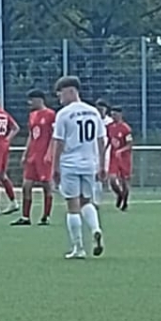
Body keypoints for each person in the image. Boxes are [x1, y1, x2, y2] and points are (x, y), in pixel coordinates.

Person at [47, 77, 105, 258]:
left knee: (72, 205)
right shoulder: (93, 112)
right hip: (89, 163)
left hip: (70, 164)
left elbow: (58, 142)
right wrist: (102, 164)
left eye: (61, 94)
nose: (60, 98)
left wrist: (55, 167)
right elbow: (101, 140)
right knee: (86, 201)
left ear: (71, 91)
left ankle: (78, 248)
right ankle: (95, 229)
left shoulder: (63, 114)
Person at [12, 90, 57, 226]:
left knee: (46, 185)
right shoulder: (32, 115)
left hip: (44, 155)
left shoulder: (50, 114)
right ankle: (25, 217)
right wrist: (26, 153)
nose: (29, 103)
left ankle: (46, 216)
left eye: (32, 100)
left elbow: (54, 136)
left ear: (39, 100)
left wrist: (50, 153)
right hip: (33, 155)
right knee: (26, 185)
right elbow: (31, 135)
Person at [105, 105, 133, 210]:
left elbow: (130, 144)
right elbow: (109, 140)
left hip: (124, 158)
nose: (113, 116)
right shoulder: (109, 127)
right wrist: (104, 150)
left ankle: (125, 202)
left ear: (120, 115)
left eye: (115, 114)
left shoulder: (126, 128)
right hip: (114, 157)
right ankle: (119, 194)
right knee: (112, 179)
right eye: (112, 114)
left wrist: (121, 150)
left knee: (124, 181)